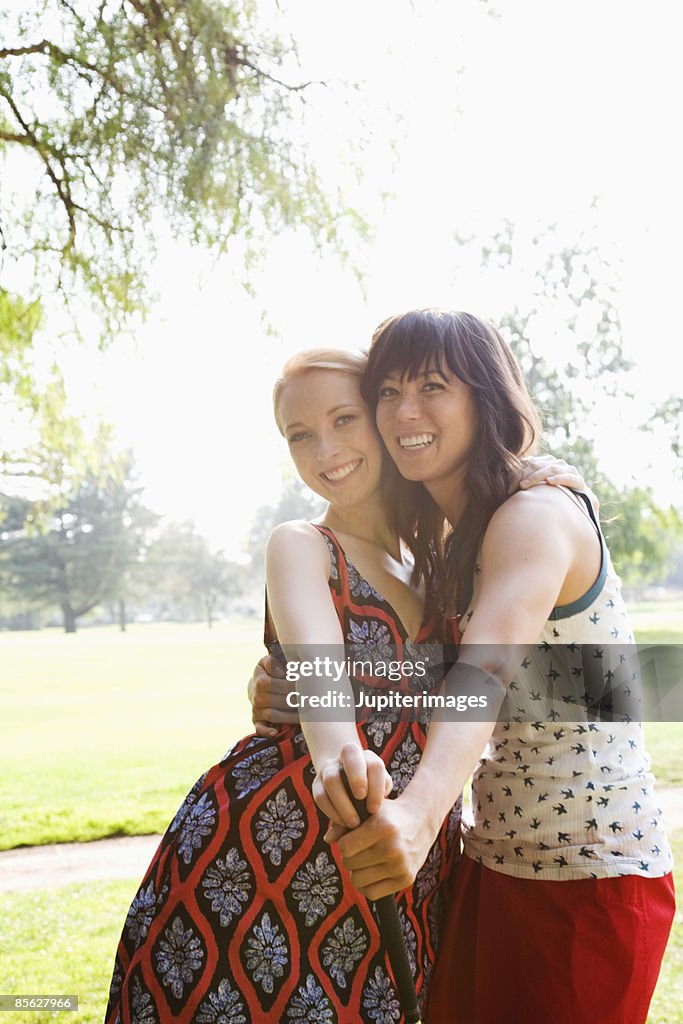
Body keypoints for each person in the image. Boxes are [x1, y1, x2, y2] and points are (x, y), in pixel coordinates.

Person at [104, 345, 585, 1024]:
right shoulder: (300, 544)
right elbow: (318, 673)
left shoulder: (441, 558)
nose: (323, 449)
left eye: (343, 420)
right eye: (298, 434)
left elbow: (483, 675)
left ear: (387, 421)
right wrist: (337, 755)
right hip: (285, 844)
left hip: (409, 840)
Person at [313, 309, 674, 1024]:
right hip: (491, 862)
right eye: (386, 391)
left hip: (588, 878)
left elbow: (487, 674)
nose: (403, 412)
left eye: (432, 387)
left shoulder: (533, 516)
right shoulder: (450, 538)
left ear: (485, 397)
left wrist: (416, 816)